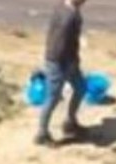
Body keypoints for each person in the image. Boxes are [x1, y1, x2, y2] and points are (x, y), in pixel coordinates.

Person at [35, 0, 88, 146]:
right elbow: (61, 43)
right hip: (60, 61)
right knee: (53, 97)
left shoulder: (63, 6)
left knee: (81, 87)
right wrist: (69, 63)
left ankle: (70, 122)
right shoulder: (69, 17)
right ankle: (42, 134)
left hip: (63, 59)